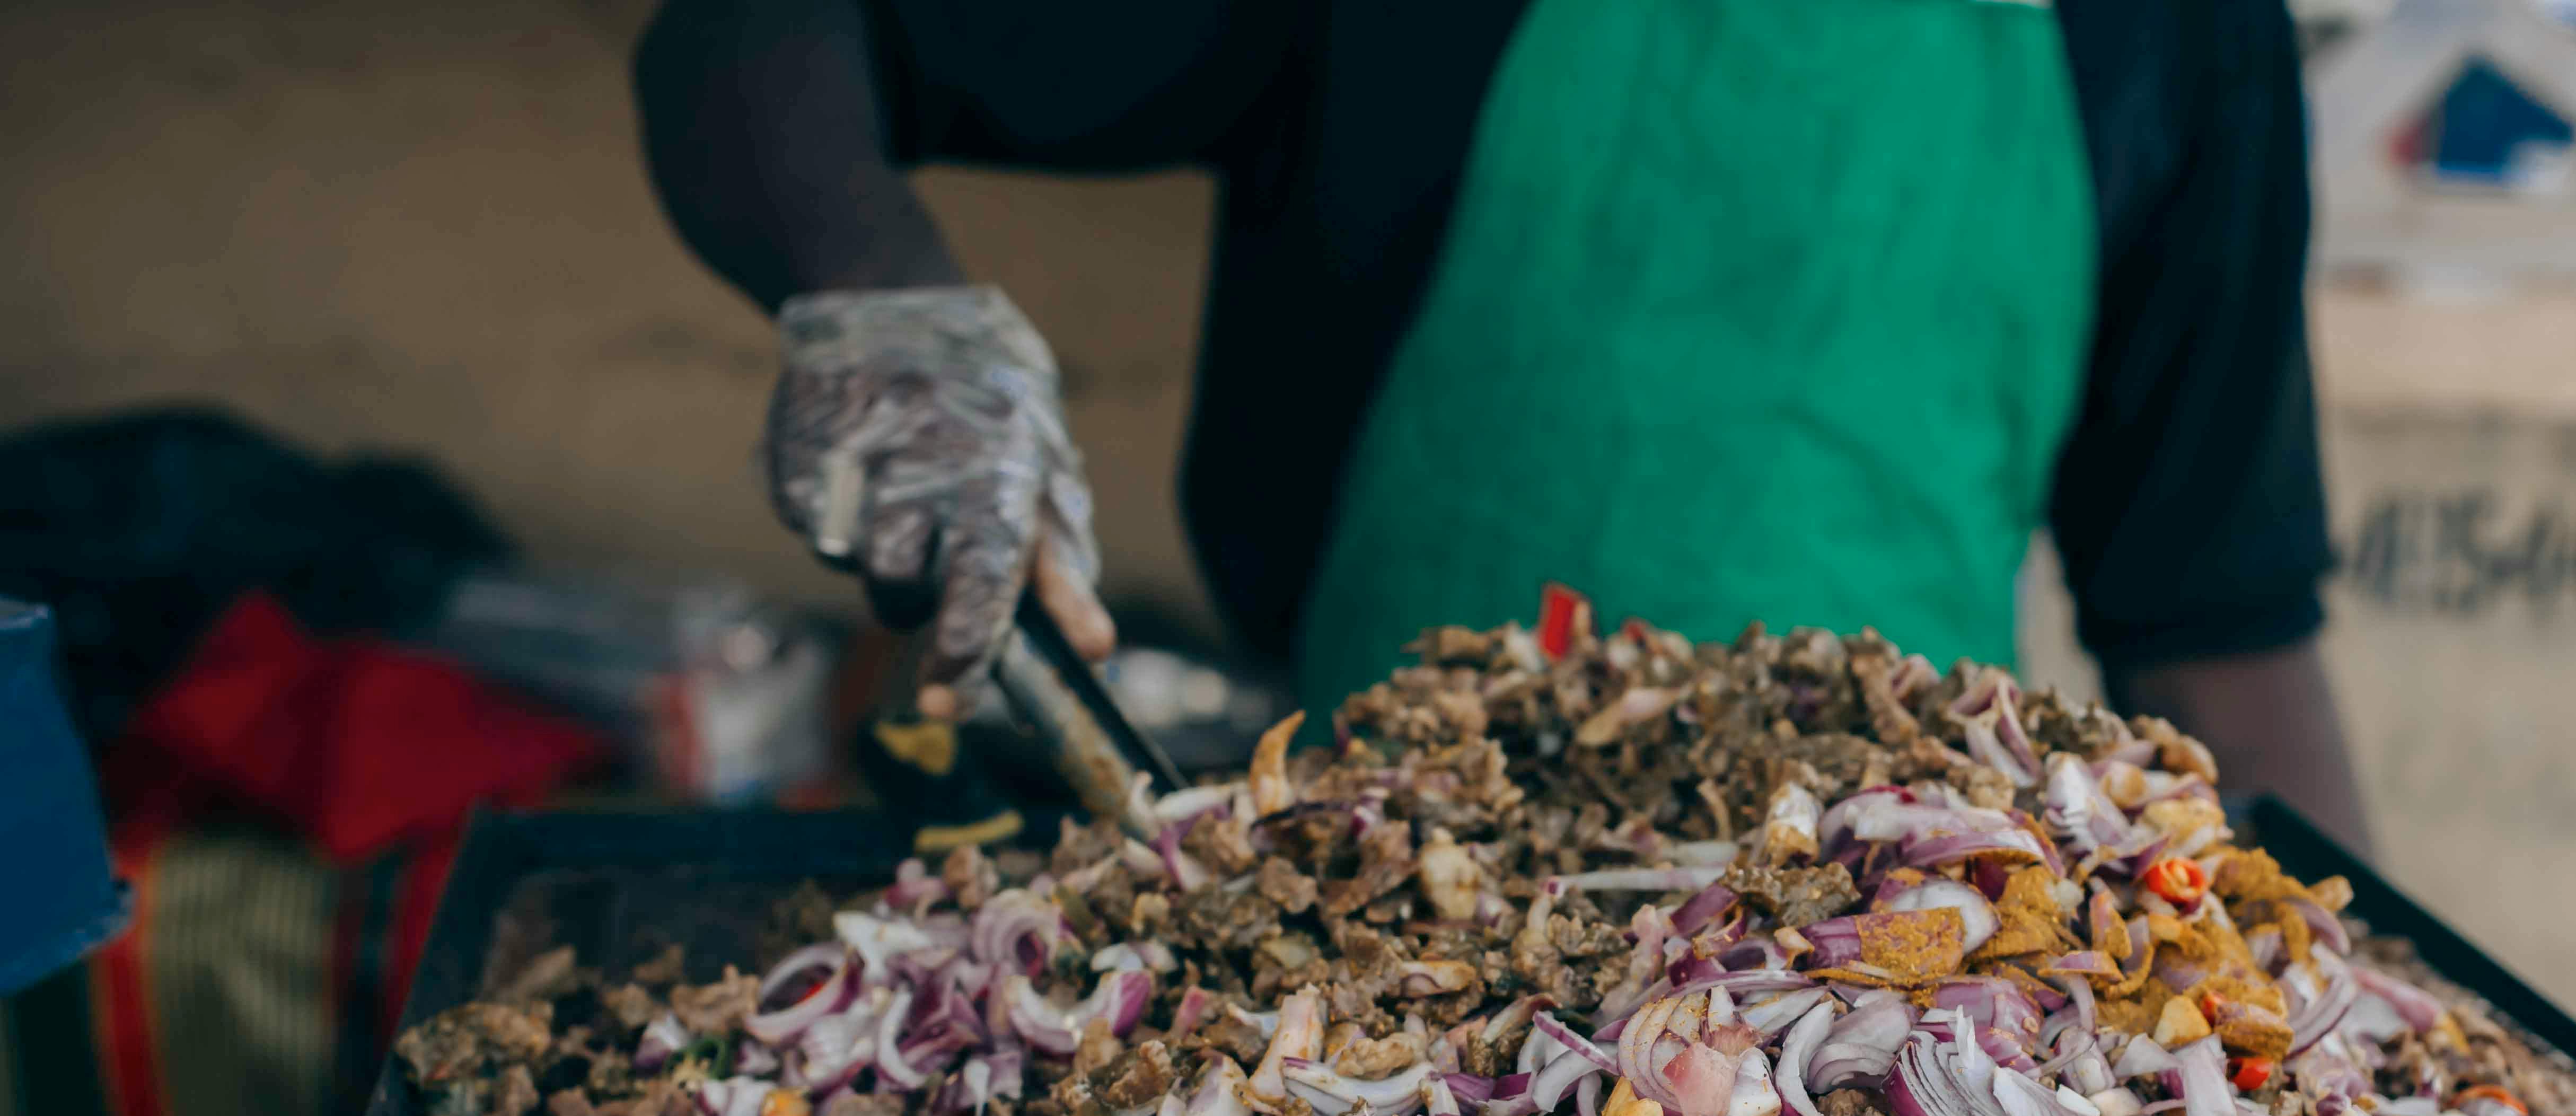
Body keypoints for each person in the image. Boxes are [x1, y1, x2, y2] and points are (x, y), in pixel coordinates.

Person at [634, 0, 2371, 845]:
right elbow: (766, 37)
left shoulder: (2170, 34)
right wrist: (886, 303)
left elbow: (2218, 626)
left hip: (1912, 991)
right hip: (1376, 943)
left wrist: (2373, 1024)